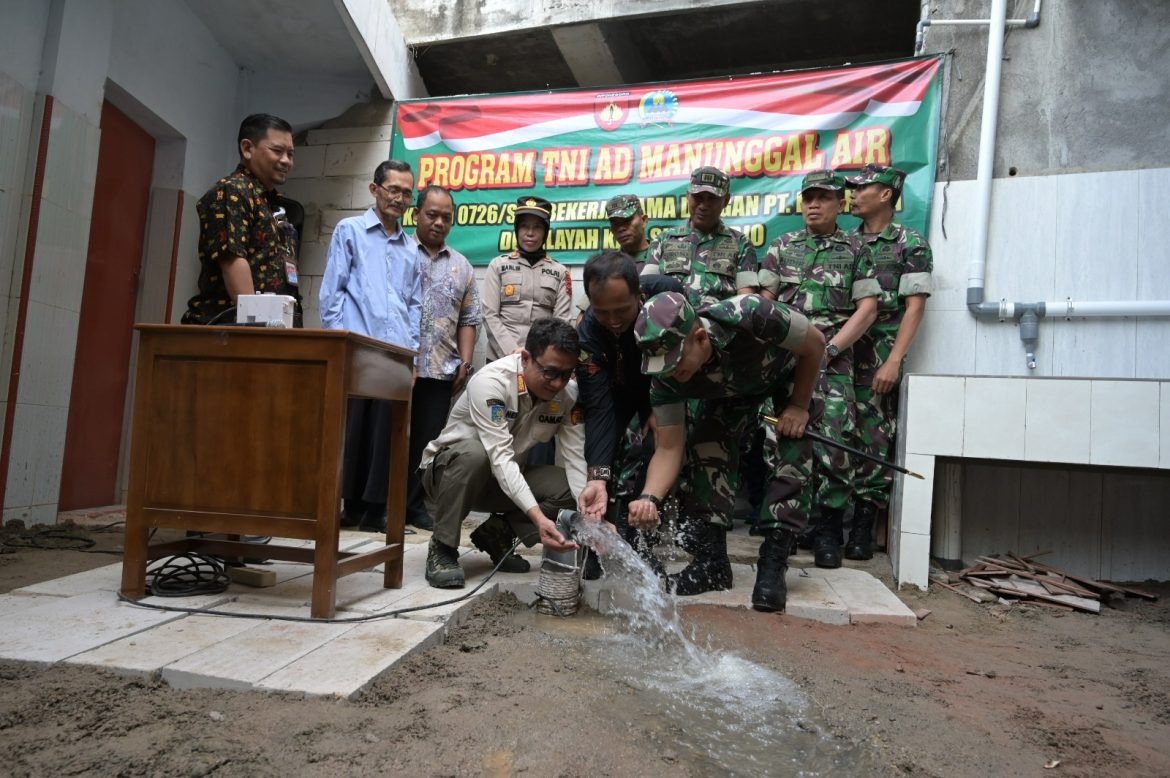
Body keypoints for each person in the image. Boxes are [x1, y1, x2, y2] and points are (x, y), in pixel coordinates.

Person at [632, 292, 825, 611]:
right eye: (661, 367)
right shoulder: (665, 380)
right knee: (706, 444)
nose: (669, 372)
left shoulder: (750, 314)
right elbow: (668, 448)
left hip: (788, 373)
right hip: (731, 392)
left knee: (793, 449)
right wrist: (648, 498)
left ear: (700, 338)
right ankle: (712, 564)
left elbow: (815, 343)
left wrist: (799, 406)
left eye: (675, 362)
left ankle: (774, 561)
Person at [418, 318, 607, 588]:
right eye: (550, 372)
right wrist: (538, 518)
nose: (557, 383)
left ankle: (498, 533)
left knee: (570, 488)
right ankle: (442, 546)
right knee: (476, 455)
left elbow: (576, 458)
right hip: (448, 475)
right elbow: (500, 458)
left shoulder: (567, 395)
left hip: (501, 481)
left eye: (566, 374)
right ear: (526, 358)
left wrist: (588, 519)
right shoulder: (491, 383)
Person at [758, 169, 879, 569]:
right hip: (785, 362)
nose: (813, 205)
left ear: (840, 204)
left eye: (823, 198)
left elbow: (868, 309)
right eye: (808, 197)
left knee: (834, 446)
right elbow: (765, 301)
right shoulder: (782, 246)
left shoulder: (857, 249)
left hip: (832, 363)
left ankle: (828, 530)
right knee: (781, 444)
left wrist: (829, 349)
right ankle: (787, 528)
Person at [319, 160, 423, 532]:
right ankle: (349, 507)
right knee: (351, 431)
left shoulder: (410, 248)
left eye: (406, 192)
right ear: (374, 189)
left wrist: (412, 356)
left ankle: (375, 512)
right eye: (393, 189)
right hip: (356, 349)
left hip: (394, 354)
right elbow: (332, 292)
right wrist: (337, 345)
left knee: (385, 434)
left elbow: (414, 304)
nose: (400, 198)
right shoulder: (350, 231)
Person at [575, 251, 684, 576]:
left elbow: (677, 354)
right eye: (602, 311)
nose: (613, 320)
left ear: (639, 294)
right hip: (614, 390)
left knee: (652, 446)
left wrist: (653, 407)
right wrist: (598, 476)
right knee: (601, 453)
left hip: (660, 385)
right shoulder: (588, 334)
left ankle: (640, 540)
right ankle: (597, 540)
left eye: (622, 310)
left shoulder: (667, 297)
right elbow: (599, 408)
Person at [845, 164, 933, 559]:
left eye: (862, 188)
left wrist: (894, 361)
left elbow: (915, 307)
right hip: (842, 356)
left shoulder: (909, 243)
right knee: (835, 434)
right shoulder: (844, 242)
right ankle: (825, 522)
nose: (854, 194)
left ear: (886, 194)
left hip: (878, 356)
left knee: (874, 436)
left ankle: (862, 528)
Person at [406, 185, 482, 532]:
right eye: (432, 215)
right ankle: (377, 505)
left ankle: (414, 506)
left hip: (439, 370)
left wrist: (465, 363)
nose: (438, 223)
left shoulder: (462, 266)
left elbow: (469, 318)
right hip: (397, 366)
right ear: (416, 214)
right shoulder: (400, 252)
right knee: (389, 438)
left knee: (427, 444)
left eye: (446, 218)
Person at [183, 114, 302, 326]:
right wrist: (256, 329)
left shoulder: (273, 202)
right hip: (234, 329)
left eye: (290, 154)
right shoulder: (232, 191)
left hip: (272, 326)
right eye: (277, 151)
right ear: (247, 148)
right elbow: (233, 260)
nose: (286, 161)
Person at [641, 166, 759, 308]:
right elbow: (644, 288)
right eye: (697, 197)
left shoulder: (741, 243)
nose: (703, 206)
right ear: (687, 196)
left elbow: (745, 300)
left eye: (712, 199)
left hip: (719, 319)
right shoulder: (663, 240)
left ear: (726, 200)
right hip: (670, 317)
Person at [482, 196, 573, 360]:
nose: (530, 233)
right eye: (524, 226)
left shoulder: (560, 272)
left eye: (537, 227)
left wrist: (538, 354)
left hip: (540, 360)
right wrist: (512, 351)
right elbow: (489, 315)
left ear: (545, 232)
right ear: (517, 229)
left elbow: (561, 322)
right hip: (500, 358)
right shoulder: (498, 265)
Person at [576, 194, 653, 323]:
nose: (621, 228)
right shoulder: (607, 265)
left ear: (644, 220)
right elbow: (583, 316)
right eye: (615, 223)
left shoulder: (661, 257)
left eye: (627, 221)